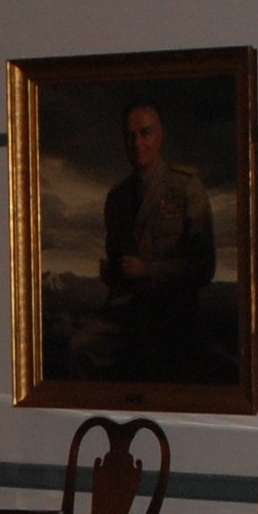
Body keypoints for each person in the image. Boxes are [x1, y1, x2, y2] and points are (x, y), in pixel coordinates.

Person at [98, 101, 217, 382]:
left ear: (160, 136)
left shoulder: (186, 187)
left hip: (174, 315)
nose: (137, 143)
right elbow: (117, 258)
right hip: (128, 314)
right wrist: (113, 272)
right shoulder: (117, 198)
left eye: (146, 133)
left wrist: (150, 271)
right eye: (130, 135)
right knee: (82, 349)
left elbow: (204, 265)